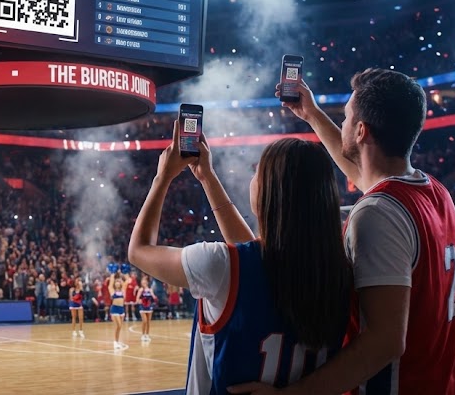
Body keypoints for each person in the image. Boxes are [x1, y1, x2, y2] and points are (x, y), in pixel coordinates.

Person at [230, 69, 455, 394]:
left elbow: (385, 342)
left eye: (344, 118)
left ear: (360, 130)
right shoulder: (434, 191)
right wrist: (312, 115)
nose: (340, 124)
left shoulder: (377, 213)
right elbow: (369, 181)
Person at [128, 123, 352, 394]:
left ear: (270, 193)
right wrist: (207, 178)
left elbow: (138, 250)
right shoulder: (341, 273)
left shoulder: (217, 265)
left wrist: (161, 178)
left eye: (257, 171)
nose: (252, 177)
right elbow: (250, 254)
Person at [106, 271, 128, 350]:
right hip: (114, 308)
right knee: (118, 325)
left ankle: (117, 341)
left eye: (119, 282)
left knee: (120, 327)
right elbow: (110, 285)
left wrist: (124, 273)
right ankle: (115, 342)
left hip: (121, 309)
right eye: (116, 282)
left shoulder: (123, 290)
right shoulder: (112, 290)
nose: (117, 283)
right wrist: (112, 274)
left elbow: (127, 281)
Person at [137, 275, 157, 342]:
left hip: (149, 306)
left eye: (145, 281)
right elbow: (137, 299)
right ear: (141, 282)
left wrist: (154, 296)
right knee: (144, 321)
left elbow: (154, 297)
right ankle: (143, 335)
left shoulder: (150, 289)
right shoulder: (141, 290)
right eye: (143, 281)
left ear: (147, 282)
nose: (144, 282)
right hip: (142, 306)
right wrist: (139, 301)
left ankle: (147, 335)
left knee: (148, 322)